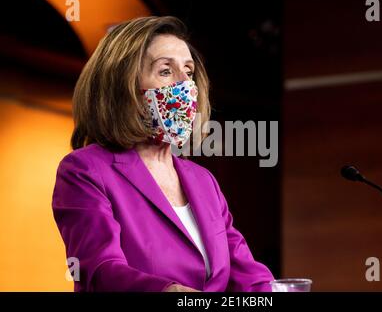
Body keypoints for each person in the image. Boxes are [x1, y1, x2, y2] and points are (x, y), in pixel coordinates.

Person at [52, 16, 274, 292]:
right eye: (166, 71)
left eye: (189, 72)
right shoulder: (84, 170)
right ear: (123, 86)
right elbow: (100, 270)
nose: (186, 86)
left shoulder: (203, 180)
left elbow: (247, 275)